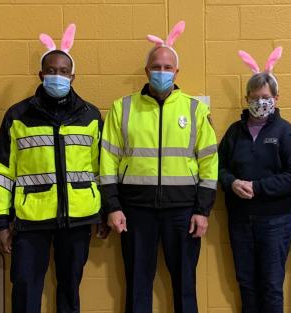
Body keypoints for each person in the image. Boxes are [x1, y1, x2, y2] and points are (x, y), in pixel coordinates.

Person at [100, 21, 218, 313]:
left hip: (183, 211)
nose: (161, 72)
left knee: (185, 286)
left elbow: (209, 163)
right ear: (146, 71)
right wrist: (112, 207)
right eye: (156, 66)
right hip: (136, 211)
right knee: (138, 285)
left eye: (167, 67)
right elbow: (107, 161)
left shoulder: (195, 109)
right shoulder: (122, 108)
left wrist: (202, 211)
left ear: (177, 72)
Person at [0, 24, 105, 313]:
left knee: (70, 290)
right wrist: (1, 222)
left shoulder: (90, 115)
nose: (57, 75)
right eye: (51, 70)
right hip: (30, 221)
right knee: (26, 290)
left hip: (78, 219)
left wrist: (103, 211)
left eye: (63, 71)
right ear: (41, 75)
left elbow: (102, 168)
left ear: (73, 76)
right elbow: (2, 172)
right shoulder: (18, 115)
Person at [218, 47, 291, 313]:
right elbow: (218, 167)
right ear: (246, 99)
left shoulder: (285, 132)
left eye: (265, 97)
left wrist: (258, 188)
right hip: (241, 220)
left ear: (276, 98)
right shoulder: (234, 132)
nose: (260, 103)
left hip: (275, 221)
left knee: (270, 284)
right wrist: (231, 182)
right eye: (255, 98)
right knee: (246, 282)